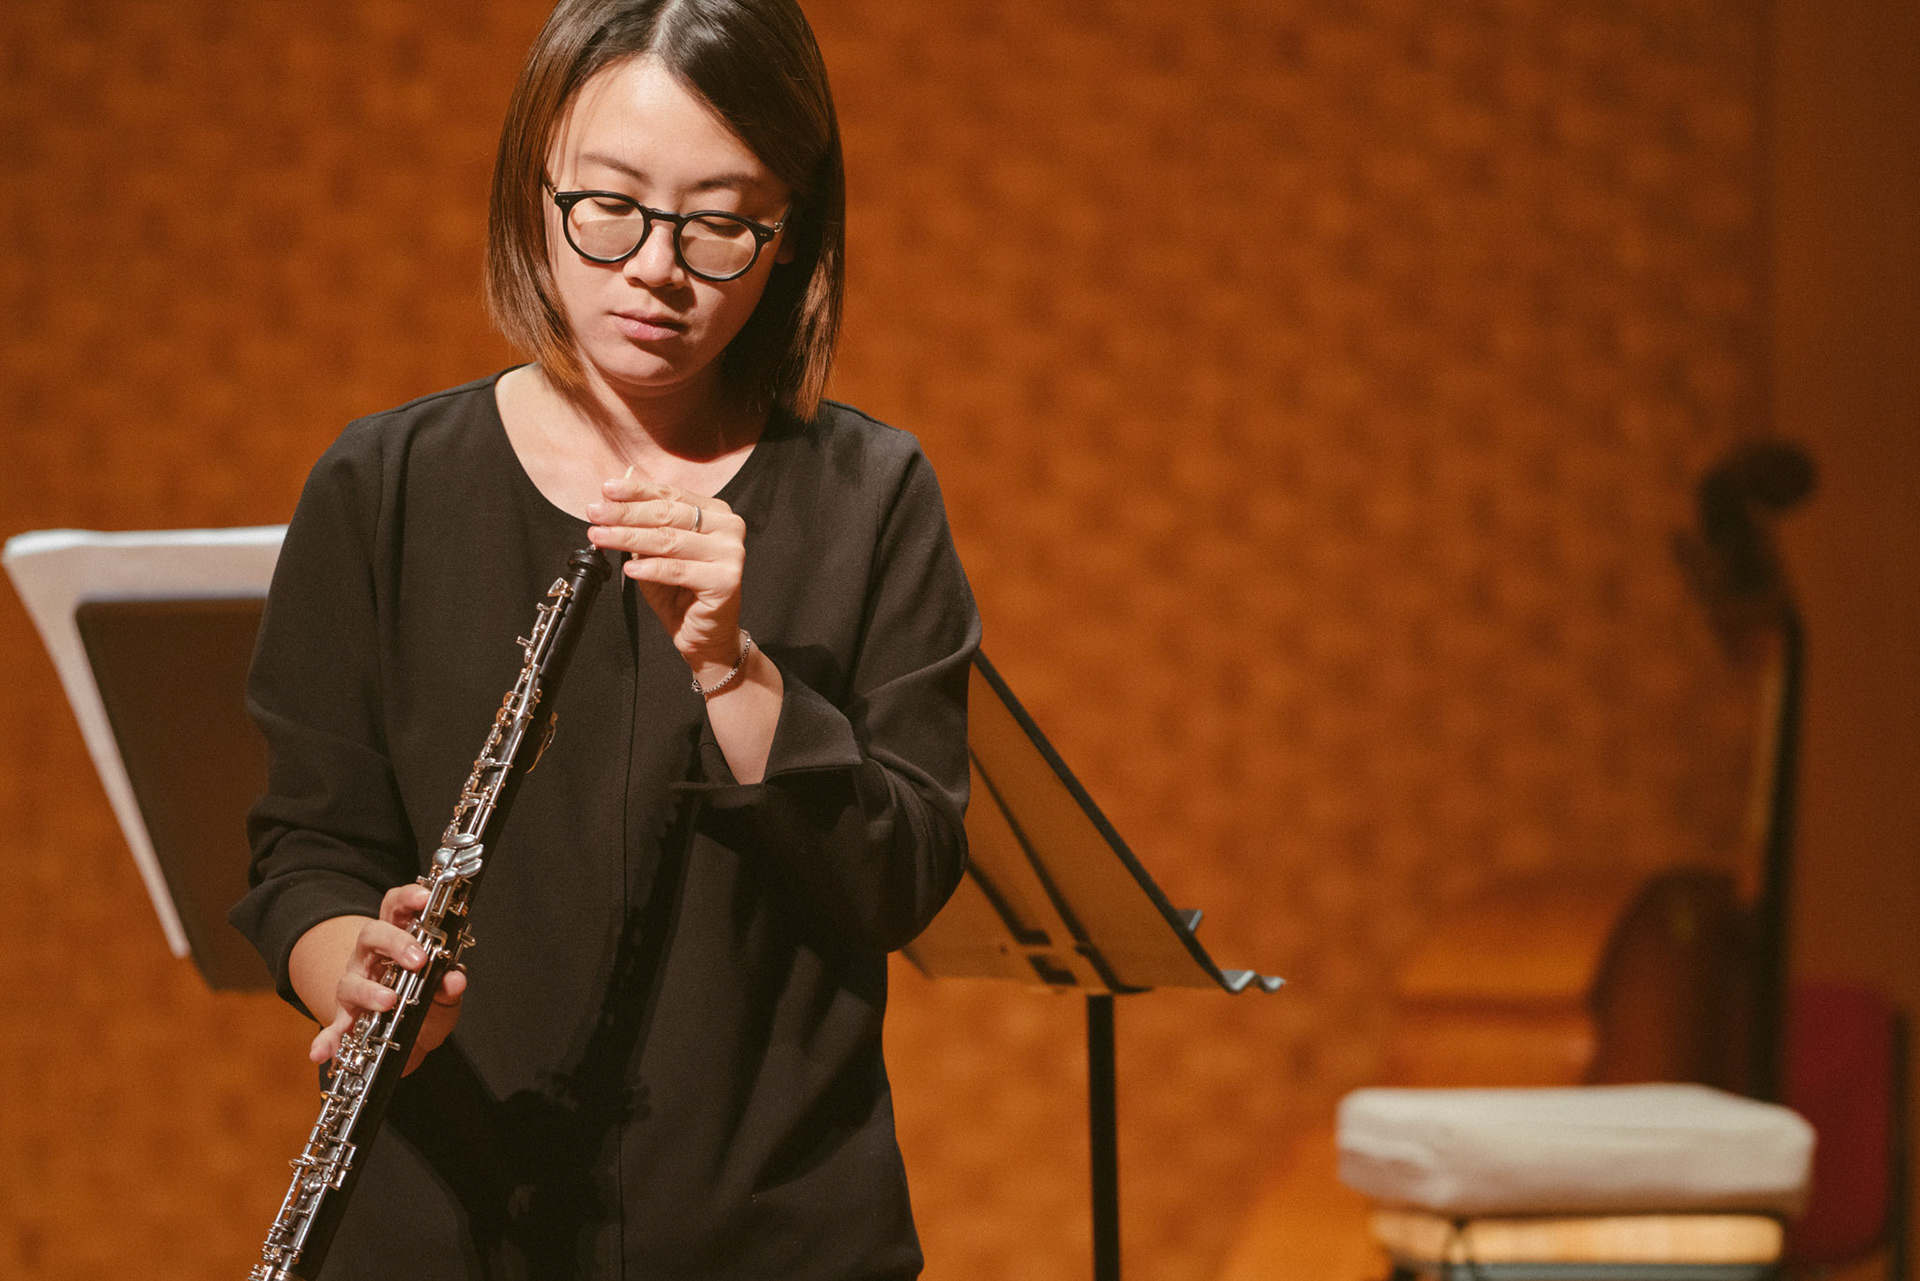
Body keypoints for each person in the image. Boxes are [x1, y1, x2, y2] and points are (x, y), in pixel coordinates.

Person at [229, 0, 979, 1276]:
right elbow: (305, 845)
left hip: (775, 1238)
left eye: (720, 224)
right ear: (535, 190)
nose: (655, 270)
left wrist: (736, 674)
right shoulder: (384, 485)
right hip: (454, 1224)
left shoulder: (871, 495)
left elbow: (903, 879)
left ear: (792, 234)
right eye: (610, 206)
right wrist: (344, 965)